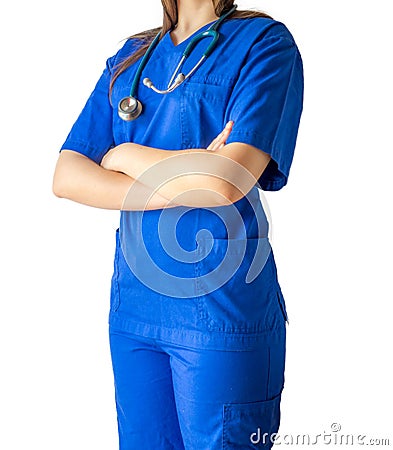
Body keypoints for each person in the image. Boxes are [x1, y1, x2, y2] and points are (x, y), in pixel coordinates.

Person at [52, 0, 304, 448]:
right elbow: (67, 176)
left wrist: (120, 157)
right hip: (135, 308)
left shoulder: (264, 44)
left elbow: (225, 184)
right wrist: (189, 179)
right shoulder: (132, 55)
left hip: (221, 310)